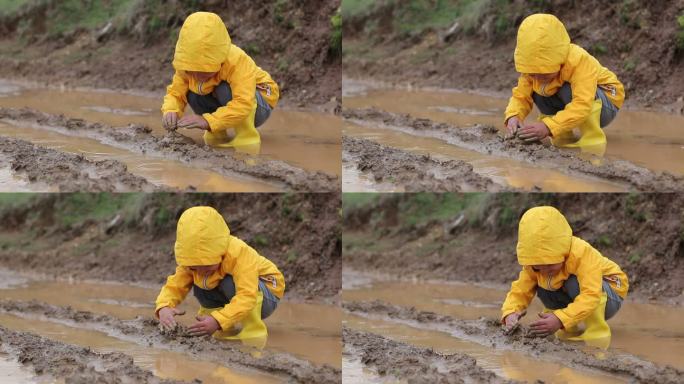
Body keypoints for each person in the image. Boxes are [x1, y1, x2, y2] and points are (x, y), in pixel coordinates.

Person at [155, 206, 285, 342]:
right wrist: (164, 306)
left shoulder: (239, 252)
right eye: (194, 267)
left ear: (220, 251)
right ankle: (217, 326)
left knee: (228, 282)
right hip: (244, 294)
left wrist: (218, 320)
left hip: (266, 293)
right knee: (201, 281)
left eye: (207, 265)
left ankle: (253, 330)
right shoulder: (190, 262)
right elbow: (175, 285)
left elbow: (247, 295)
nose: (201, 271)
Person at [501, 206, 628, 342]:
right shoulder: (533, 264)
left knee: (573, 282)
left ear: (562, 250)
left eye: (550, 264)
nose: (544, 271)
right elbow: (520, 290)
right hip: (583, 296)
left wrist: (560, 318)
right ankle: (567, 327)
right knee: (543, 282)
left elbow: (591, 294)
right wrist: (510, 312)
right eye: (538, 267)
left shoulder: (581, 253)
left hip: (610, 293)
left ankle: (597, 331)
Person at [503, 14, 624, 151]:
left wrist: (548, 126)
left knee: (565, 88)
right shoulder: (531, 70)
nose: (537, 78)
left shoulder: (578, 60)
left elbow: (582, 104)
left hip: (606, 101)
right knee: (538, 90)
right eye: (532, 74)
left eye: (544, 72)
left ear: (558, 59)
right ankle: (562, 135)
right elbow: (521, 96)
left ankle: (592, 139)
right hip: (580, 102)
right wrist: (513, 116)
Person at [161, 12, 279, 148]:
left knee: (224, 88)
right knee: (193, 91)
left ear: (219, 59)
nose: (197, 76)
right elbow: (175, 93)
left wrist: (207, 121)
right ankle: (217, 133)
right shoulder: (185, 65)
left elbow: (244, 102)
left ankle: (246, 136)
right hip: (231, 104)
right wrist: (171, 111)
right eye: (192, 70)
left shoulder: (236, 60)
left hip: (259, 104)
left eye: (205, 70)